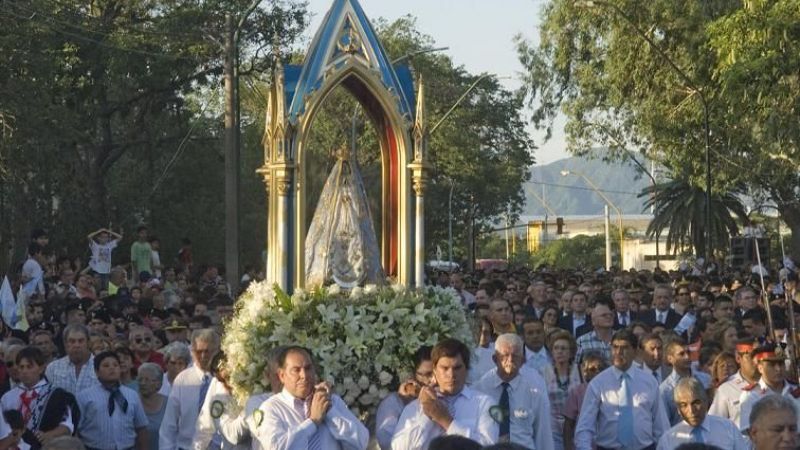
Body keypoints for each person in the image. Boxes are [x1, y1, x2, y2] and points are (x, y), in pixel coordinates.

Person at [253, 346, 368, 450]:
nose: (304, 375)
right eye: (296, 370)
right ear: (282, 376)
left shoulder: (331, 401)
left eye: (308, 368)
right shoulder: (270, 409)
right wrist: (313, 422)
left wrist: (330, 412)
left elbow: (361, 442)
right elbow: (277, 447)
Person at [391, 338, 498, 449]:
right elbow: (398, 448)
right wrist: (426, 414)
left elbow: (488, 446)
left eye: (457, 368)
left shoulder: (484, 404)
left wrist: (447, 421)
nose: (451, 375)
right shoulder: (416, 407)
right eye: (445, 368)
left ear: (466, 369)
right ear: (435, 370)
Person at [575, 329, 669, 450]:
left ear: (635, 351)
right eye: (615, 347)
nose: (618, 352)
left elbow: (661, 426)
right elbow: (584, 427)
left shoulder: (649, 382)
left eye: (624, 348)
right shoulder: (598, 383)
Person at [473, 333, 553, 450]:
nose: (510, 360)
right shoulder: (479, 389)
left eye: (515, 356)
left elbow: (543, 435)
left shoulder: (534, 393)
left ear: (523, 361)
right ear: (495, 359)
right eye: (505, 355)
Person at [0, 346, 77, 449]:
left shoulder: (58, 395)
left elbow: (68, 425)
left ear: (41, 368)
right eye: (21, 367)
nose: (24, 371)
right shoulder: (7, 397)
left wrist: (50, 434)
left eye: (29, 367)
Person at [159, 329, 220, 450]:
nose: (203, 356)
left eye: (207, 351)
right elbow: (169, 424)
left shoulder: (225, 378)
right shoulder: (183, 380)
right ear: (192, 351)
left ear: (217, 350)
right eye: (198, 351)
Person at [76, 351, 148, 450]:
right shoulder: (85, 396)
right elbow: (76, 428)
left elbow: (141, 427)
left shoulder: (132, 395)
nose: (112, 368)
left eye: (115, 365)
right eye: (106, 366)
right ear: (97, 372)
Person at [656, 378, 748, 450]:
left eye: (696, 403)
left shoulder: (728, 428)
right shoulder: (668, 441)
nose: (691, 411)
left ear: (706, 401)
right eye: (684, 405)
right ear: (678, 409)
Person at [375, 346, 432, 450]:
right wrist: (408, 407)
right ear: (414, 374)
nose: (426, 380)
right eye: (421, 374)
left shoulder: (444, 397)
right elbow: (386, 442)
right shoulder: (393, 402)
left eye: (430, 374)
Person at [738, 341, 800, 433]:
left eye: (781, 364)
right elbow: (748, 433)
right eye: (771, 365)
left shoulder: (796, 389)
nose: (778, 369)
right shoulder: (751, 395)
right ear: (760, 368)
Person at [708, 338, 760, 428]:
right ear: (738, 358)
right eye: (751, 357)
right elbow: (714, 425)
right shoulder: (726, 389)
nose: (756, 361)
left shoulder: (771, 383)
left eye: (759, 357)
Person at [659, 340, 711, 425]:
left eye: (688, 352)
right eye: (681, 354)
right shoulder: (665, 390)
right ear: (670, 358)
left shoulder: (705, 379)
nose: (687, 357)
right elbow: (664, 421)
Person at [563, 351, 608, 450]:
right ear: (584, 371)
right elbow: (568, 424)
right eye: (592, 369)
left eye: (600, 369)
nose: (597, 372)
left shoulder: (611, 391)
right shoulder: (577, 392)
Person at [45, 324, 99, 395]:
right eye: (72, 341)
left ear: (88, 343)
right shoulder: (53, 368)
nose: (76, 345)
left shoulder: (100, 366)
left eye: (81, 341)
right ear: (65, 344)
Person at [137, 362, 167, 450]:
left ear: (158, 383)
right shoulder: (132, 403)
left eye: (147, 380)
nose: (142, 383)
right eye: (140, 379)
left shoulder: (169, 404)